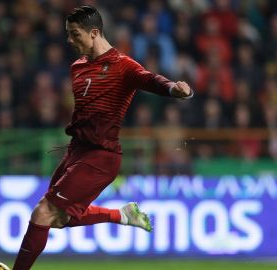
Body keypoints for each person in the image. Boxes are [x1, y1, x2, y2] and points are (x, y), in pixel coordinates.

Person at [12, 6, 193, 270]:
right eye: (68, 34)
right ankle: (122, 214)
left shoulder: (122, 65)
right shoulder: (77, 68)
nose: (69, 41)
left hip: (101, 156)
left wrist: (174, 89)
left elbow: (150, 80)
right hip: (76, 151)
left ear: (94, 32)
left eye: (75, 34)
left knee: (43, 212)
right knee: (59, 219)